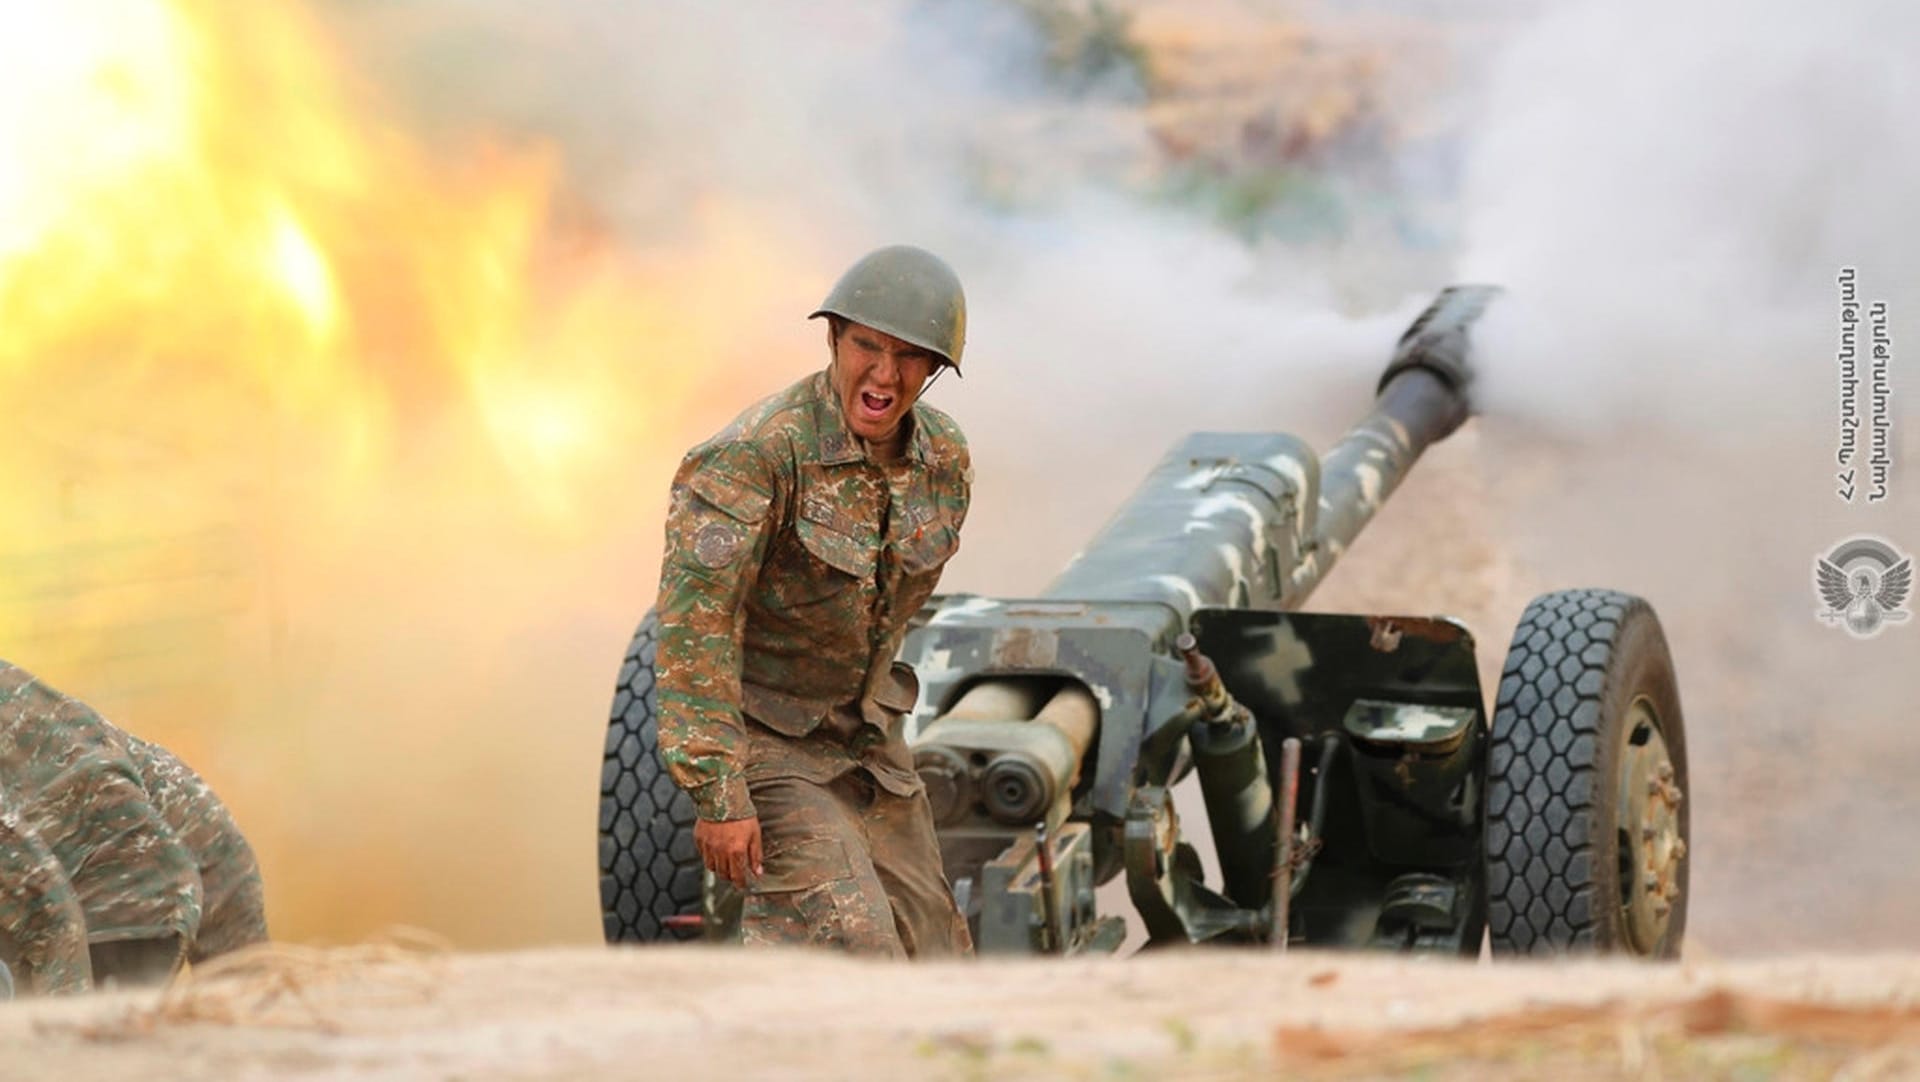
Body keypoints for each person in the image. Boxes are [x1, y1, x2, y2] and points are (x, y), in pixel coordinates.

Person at [653, 245, 974, 956]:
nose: (885, 375)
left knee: (940, 960)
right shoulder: (755, 456)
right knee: (854, 951)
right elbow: (694, 629)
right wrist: (718, 795)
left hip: (869, 746)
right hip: (766, 743)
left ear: (935, 370)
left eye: (911, 357)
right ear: (834, 337)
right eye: (867, 345)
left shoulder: (943, 460)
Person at [0, 660, 268, 994]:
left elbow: (40, 901)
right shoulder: (34, 706)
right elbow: (219, 842)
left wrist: (65, 1014)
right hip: (153, 889)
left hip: (107, 915)